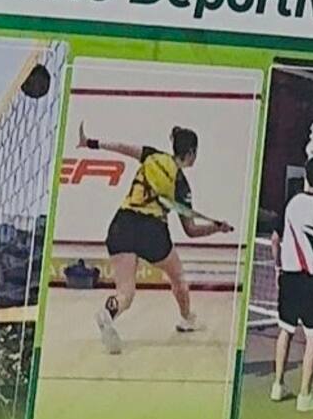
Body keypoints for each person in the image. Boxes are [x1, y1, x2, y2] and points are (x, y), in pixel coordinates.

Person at [77, 123, 233, 355]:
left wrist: (91, 143)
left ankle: (109, 312)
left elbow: (120, 147)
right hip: (152, 232)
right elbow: (191, 230)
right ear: (190, 153)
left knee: (126, 294)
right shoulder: (182, 186)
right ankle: (187, 318)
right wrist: (215, 229)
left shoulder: (152, 156)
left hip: (122, 224)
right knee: (177, 275)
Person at [271, 157, 313, 412]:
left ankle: (277, 386)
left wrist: (278, 267)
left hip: (288, 277)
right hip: (310, 281)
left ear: (306, 178)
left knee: (285, 330)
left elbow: (274, 241)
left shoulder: (290, 204)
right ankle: (305, 395)